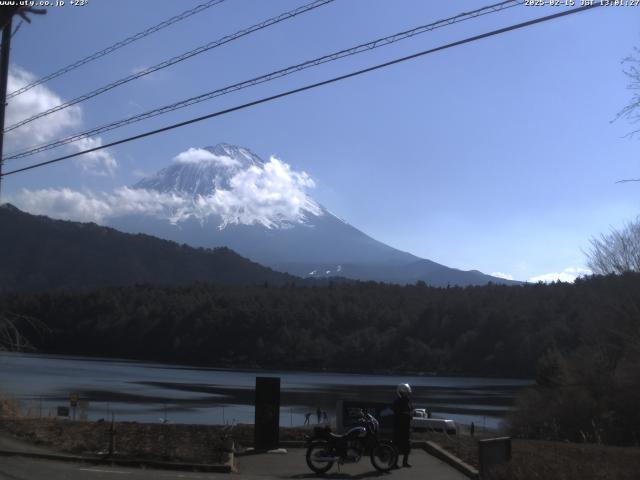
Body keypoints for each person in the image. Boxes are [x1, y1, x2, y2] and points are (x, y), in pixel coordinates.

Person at [392, 383, 413, 468]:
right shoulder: (397, 402)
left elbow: (411, 411)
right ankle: (394, 463)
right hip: (399, 427)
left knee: (407, 446)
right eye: (406, 393)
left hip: (406, 427)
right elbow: (397, 413)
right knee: (396, 445)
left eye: (408, 393)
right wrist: (406, 414)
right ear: (401, 392)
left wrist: (411, 414)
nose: (407, 395)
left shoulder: (408, 402)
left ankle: (405, 462)